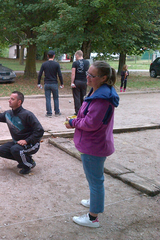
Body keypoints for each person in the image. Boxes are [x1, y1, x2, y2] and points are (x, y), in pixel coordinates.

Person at [65, 61, 119, 228]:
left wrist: (73, 123)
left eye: (91, 75)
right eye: (87, 73)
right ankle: (94, 200)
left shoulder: (102, 99)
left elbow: (91, 123)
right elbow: (89, 116)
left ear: (103, 78)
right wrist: (76, 118)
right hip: (94, 143)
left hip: (94, 145)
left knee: (95, 181)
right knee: (93, 178)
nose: (87, 77)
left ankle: (92, 218)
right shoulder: (98, 91)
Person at [0, 91, 44, 175]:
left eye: (12, 99)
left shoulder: (27, 115)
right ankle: (26, 159)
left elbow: (40, 130)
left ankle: (28, 165)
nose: (9, 100)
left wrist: (27, 140)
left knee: (15, 150)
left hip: (32, 144)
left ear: (19, 102)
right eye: (9, 98)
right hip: (17, 143)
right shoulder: (8, 114)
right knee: (1, 150)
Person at [37, 50, 64, 117]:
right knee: (56, 98)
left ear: (47, 56)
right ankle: (57, 112)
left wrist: (38, 83)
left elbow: (40, 74)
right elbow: (59, 74)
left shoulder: (44, 64)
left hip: (47, 83)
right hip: (54, 83)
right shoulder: (56, 64)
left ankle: (49, 112)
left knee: (48, 98)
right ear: (54, 56)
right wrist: (62, 83)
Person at [71, 50, 90, 115]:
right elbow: (88, 72)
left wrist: (72, 82)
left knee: (76, 97)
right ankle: (84, 109)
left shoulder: (75, 63)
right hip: (84, 81)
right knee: (83, 96)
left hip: (77, 81)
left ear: (77, 55)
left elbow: (73, 73)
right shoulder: (87, 62)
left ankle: (78, 111)